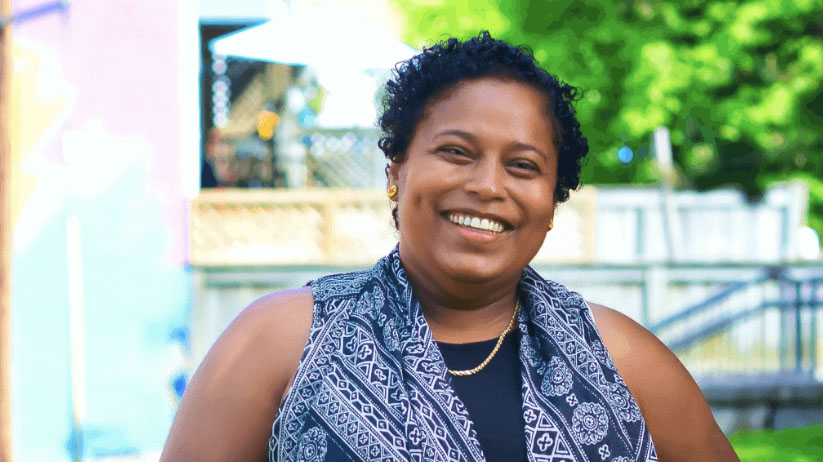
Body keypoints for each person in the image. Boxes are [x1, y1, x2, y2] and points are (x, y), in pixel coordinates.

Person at [161, 32, 739, 462]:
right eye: (457, 152)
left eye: (522, 165)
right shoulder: (279, 342)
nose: (488, 186)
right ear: (396, 172)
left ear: (552, 202)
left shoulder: (625, 361)